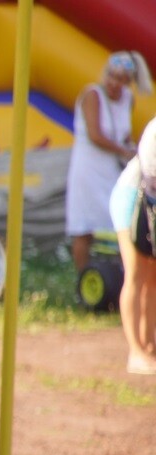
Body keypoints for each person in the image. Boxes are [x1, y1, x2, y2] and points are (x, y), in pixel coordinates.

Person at [66, 51, 153, 273]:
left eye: (120, 79)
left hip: (113, 171)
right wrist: (124, 151)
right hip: (88, 170)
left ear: (128, 82)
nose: (114, 83)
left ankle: (113, 275)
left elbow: (121, 132)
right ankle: (82, 276)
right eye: (111, 76)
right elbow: (95, 135)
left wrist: (130, 147)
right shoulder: (92, 95)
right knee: (84, 227)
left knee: (117, 225)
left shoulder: (127, 99)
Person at [109, 117, 156, 375]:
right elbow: (151, 172)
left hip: (152, 204)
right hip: (134, 200)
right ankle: (135, 352)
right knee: (136, 273)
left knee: (153, 279)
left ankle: (150, 346)